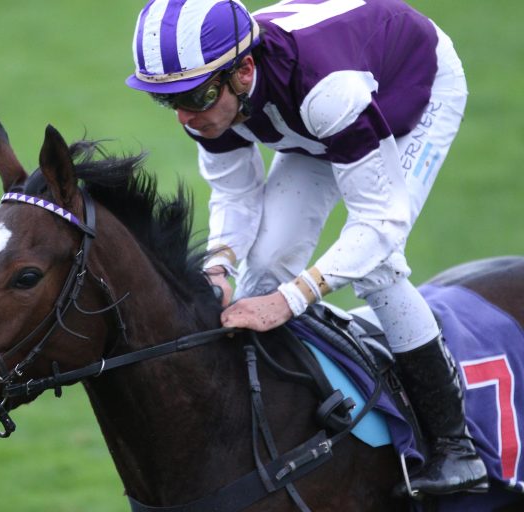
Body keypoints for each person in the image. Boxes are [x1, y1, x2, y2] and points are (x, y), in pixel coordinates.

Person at [125, 0, 488, 497]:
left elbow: (379, 222)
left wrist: (290, 300)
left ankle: (455, 447)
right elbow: (235, 194)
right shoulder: (213, 99)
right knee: (268, 263)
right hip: (311, 116)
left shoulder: (328, 92)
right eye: (169, 101)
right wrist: (218, 267)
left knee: (376, 265)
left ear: (244, 70)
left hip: (407, 90)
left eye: (198, 95)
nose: (187, 115)